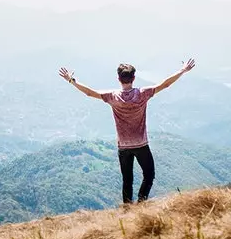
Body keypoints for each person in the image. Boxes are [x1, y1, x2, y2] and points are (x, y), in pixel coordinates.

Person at [59, 59, 197, 205]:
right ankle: (141, 202)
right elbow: (165, 84)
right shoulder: (142, 94)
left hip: (123, 146)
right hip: (141, 144)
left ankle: (127, 209)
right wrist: (182, 70)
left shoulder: (113, 96)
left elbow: (89, 93)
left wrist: (71, 80)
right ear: (134, 78)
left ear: (118, 79)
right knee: (149, 175)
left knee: (127, 180)